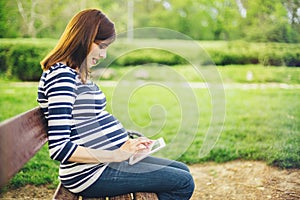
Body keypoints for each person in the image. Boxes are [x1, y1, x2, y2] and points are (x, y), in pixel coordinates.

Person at [37, 8, 194, 200]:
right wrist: (117, 155)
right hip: (90, 174)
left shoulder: (73, 74)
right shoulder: (62, 77)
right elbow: (60, 148)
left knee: (182, 171)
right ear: (84, 39)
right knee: (183, 182)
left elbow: (86, 124)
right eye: (102, 46)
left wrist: (126, 144)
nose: (103, 55)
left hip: (102, 164)